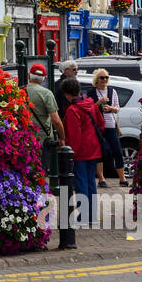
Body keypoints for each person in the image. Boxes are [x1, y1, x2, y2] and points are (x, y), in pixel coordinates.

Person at [60, 77, 102, 225]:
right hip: (94, 148)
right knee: (91, 182)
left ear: (67, 94)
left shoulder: (73, 110)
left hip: (80, 152)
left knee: (81, 183)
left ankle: (83, 216)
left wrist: (72, 153)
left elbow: (74, 134)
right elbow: (101, 124)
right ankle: (92, 215)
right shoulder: (91, 103)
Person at [87, 69, 130, 187]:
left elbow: (117, 108)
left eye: (106, 77)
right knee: (99, 151)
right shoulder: (91, 92)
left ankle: (122, 178)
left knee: (117, 150)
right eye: (102, 78)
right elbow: (89, 109)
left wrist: (111, 108)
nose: (104, 80)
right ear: (97, 79)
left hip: (110, 124)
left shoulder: (112, 91)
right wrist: (99, 103)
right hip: (97, 126)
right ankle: (101, 178)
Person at [25, 63, 67, 147]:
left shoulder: (19, 91)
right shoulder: (46, 93)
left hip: (24, 138)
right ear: (44, 78)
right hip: (42, 140)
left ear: (29, 75)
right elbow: (56, 120)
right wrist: (62, 138)